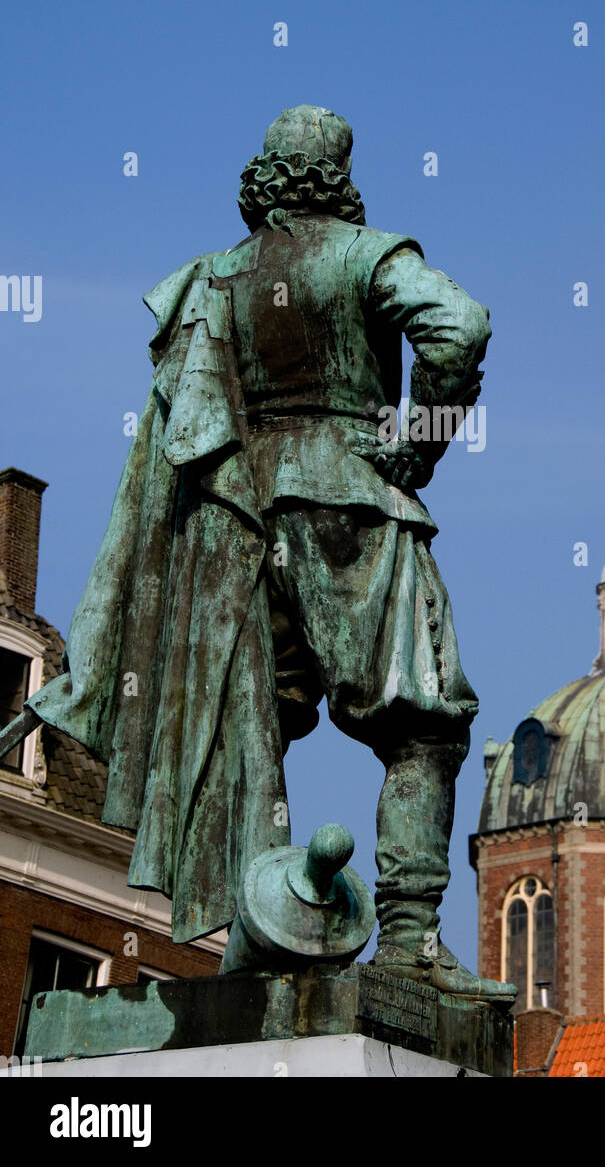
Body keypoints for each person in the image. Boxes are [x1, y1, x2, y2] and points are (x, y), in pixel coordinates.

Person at [9, 104, 514, 1002]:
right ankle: (406, 943)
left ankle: (258, 930)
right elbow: (460, 327)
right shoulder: (368, 256)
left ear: (263, 177)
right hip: (351, 503)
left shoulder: (212, 279)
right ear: (342, 179)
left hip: (233, 525)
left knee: (254, 729)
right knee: (421, 726)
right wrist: (420, 444)